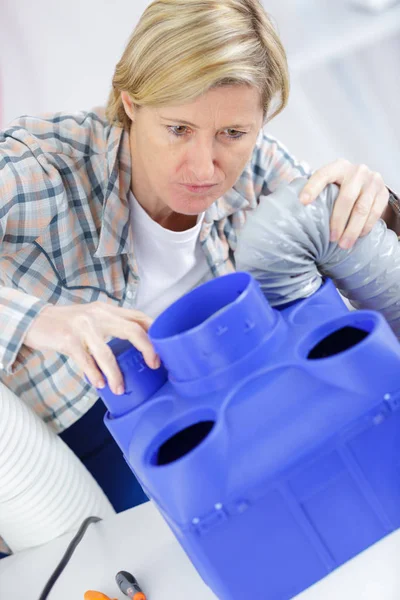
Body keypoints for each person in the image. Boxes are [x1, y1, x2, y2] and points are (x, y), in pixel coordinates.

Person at [0, 0, 398, 554]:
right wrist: (40, 320)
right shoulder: (39, 169)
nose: (205, 166)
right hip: (63, 452)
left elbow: (368, 267)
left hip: (210, 413)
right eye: (178, 128)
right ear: (130, 102)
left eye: (233, 132)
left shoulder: (260, 169)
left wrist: (379, 206)